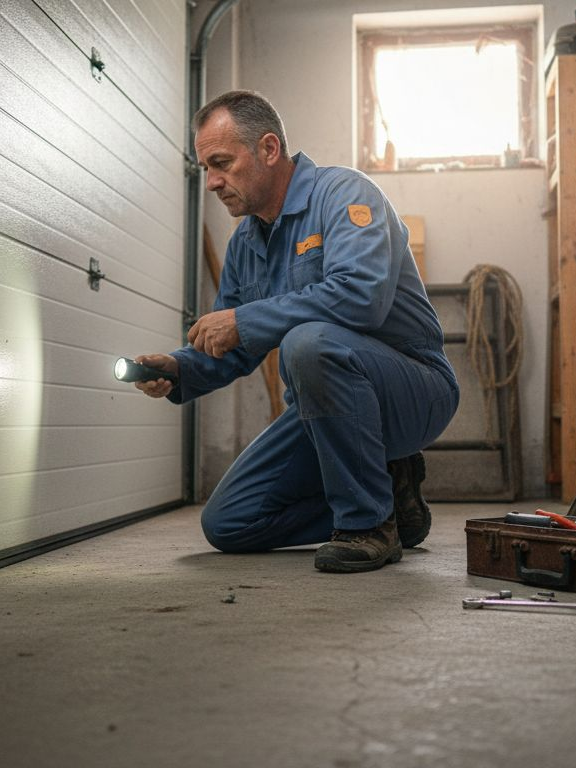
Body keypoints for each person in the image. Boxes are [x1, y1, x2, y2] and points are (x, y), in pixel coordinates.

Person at [131, 90, 458, 573]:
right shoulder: (246, 242)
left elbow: (362, 297)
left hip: (414, 390)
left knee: (308, 344)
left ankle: (367, 527)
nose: (214, 182)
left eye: (221, 162)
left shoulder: (344, 194)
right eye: (206, 169)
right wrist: (180, 368)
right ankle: (390, 500)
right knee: (229, 523)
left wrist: (244, 321)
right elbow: (234, 347)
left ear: (267, 149)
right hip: (325, 407)